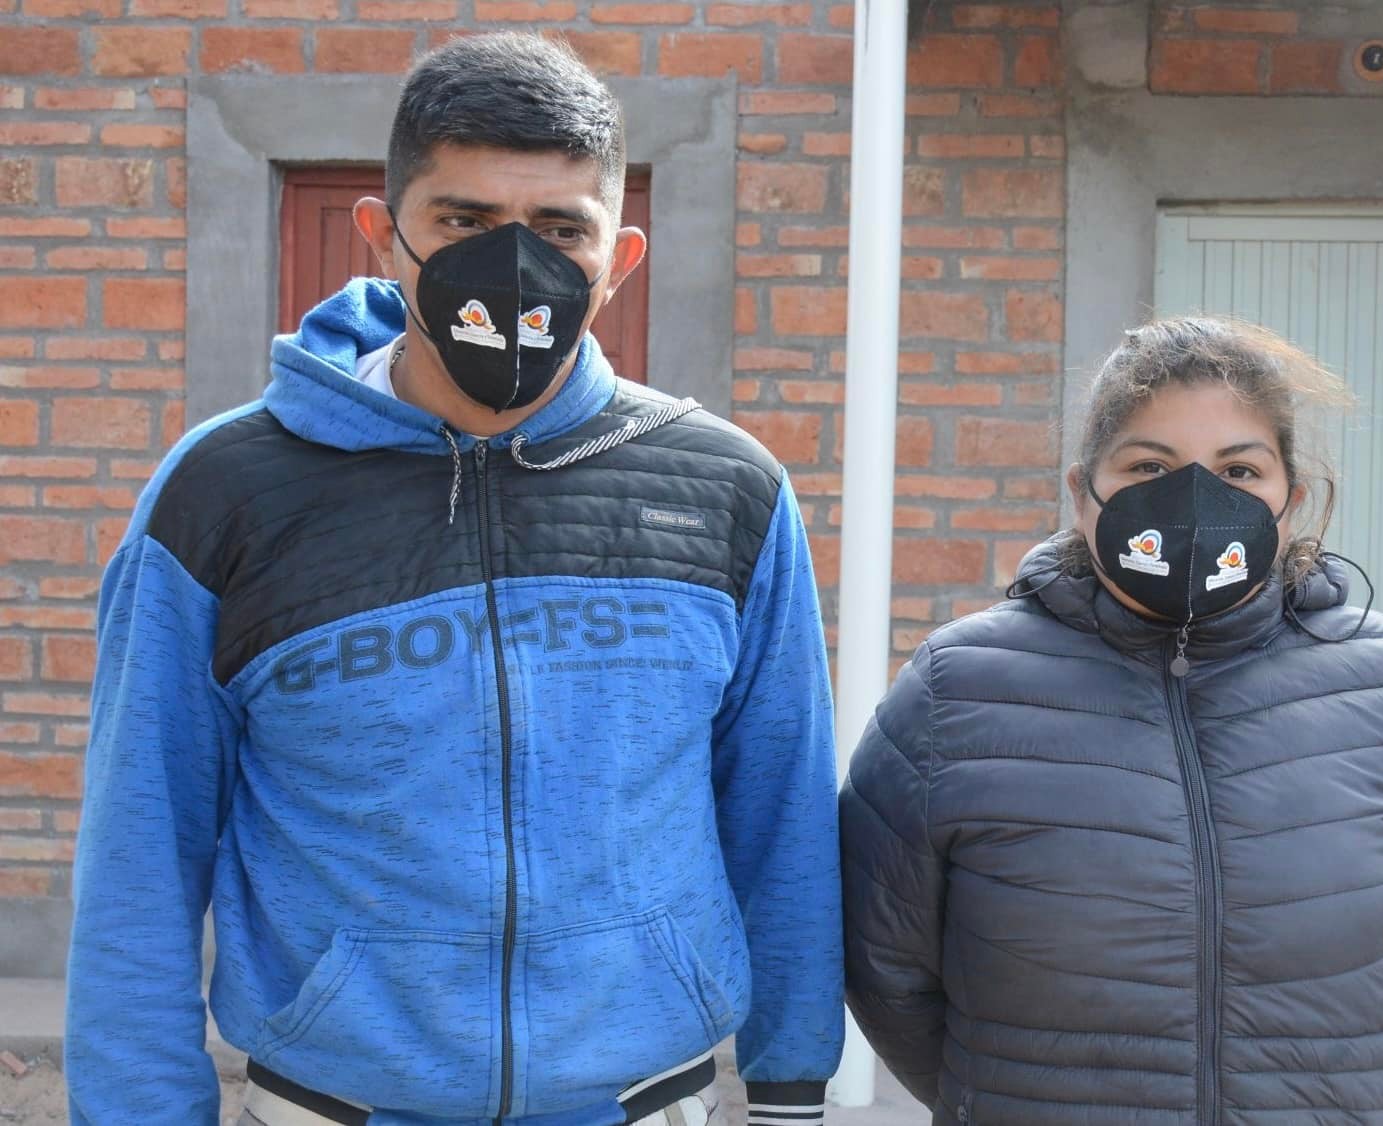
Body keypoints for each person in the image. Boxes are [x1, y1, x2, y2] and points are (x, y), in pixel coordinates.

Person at [65, 32, 843, 1126]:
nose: (515, 263)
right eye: (464, 221)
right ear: (384, 234)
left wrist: (791, 1090)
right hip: (332, 1105)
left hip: (642, 1104)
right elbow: (141, 849)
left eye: (560, 229)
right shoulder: (226, 491)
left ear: (619, 257)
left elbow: (783, 816)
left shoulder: (726, 489)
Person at [840, 316, 1383, 1126]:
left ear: (1291, 500)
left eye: (1239, 469)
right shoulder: (957, 691)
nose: (1196, 500)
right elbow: (887, 966)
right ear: (1082, 492)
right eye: (1150, 467)